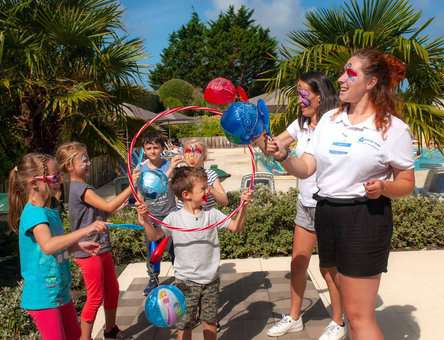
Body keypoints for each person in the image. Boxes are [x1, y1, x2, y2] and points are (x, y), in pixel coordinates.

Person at [268, 48, 415, 340]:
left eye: (350, 73)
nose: (341, 79)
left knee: (359, 316)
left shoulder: (392, 128)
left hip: (365, 217)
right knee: (347, 306)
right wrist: (284, 156)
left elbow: (407, 182)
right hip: (327, 213)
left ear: (371, 83)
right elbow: (307, 166)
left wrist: (384, 187)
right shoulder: (329, 120)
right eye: (342, 72)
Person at [255, 72, 345, 339]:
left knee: (329, 269)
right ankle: (294, 317)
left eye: (303, 92)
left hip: (328, 205)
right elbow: (274, 146)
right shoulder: (301, 124)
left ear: (320, 96)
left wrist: (282, 155)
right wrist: (254, 133)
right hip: (305, 204)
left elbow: (304, 167)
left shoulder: (333, 125)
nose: (299, 98)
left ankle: (338, 322)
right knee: (298, 263)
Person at [136, 166, 252, 340]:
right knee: (184, 324)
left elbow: (236, 227)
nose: (208, 191)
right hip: (185, 282)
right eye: (203, 189)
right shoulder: (174, 218)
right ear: (186, 195)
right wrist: (145, 221)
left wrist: (243, 207)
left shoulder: (212, 214)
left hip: (210, 280)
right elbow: (155, 236)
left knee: (210, 322)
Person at [8, 153, 107, 340]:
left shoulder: (49, 212)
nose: (59, 180)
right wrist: (86, 229)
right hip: (43, 296)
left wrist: (76, 246)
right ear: (34, 183)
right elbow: (48, 246)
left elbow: (54, 247)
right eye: (54, 177)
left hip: (59, 292)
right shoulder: (34, 214)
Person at [56, 142, 137, 340]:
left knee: (112, 290)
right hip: (88, 251)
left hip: (101, 247)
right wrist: (131, 185)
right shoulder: (80, 188)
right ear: (69, 166)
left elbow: (101, 213)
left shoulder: (83, 187)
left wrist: (123, 205)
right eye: (83, 160)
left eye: (87, 158)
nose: (89, 162)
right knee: (95, 298)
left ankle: (110, 330)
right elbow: (107, 207)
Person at [137, 133, 180, 295]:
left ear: (162, 148)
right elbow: (141, 192)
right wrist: (140, 214)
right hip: (151, 216)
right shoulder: (142, 168)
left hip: (170, 214)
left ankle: (180, 276)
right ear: (144, 150)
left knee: (175, 249)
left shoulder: (169, 165)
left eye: (156, 147)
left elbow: (176, 186)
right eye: (149, 148)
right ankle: (153, 278)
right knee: (153, 249)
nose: (153, 151)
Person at [175, 138, 229, 210]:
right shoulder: (180, 174)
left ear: (205, 157)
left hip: (206, 217)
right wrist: (171, 168)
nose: (192, 155)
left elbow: (225, 201)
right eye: (188, 151)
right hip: (183, 218)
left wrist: (210, 189)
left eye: (197, 151)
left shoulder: (210, 174)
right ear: (183, 156)